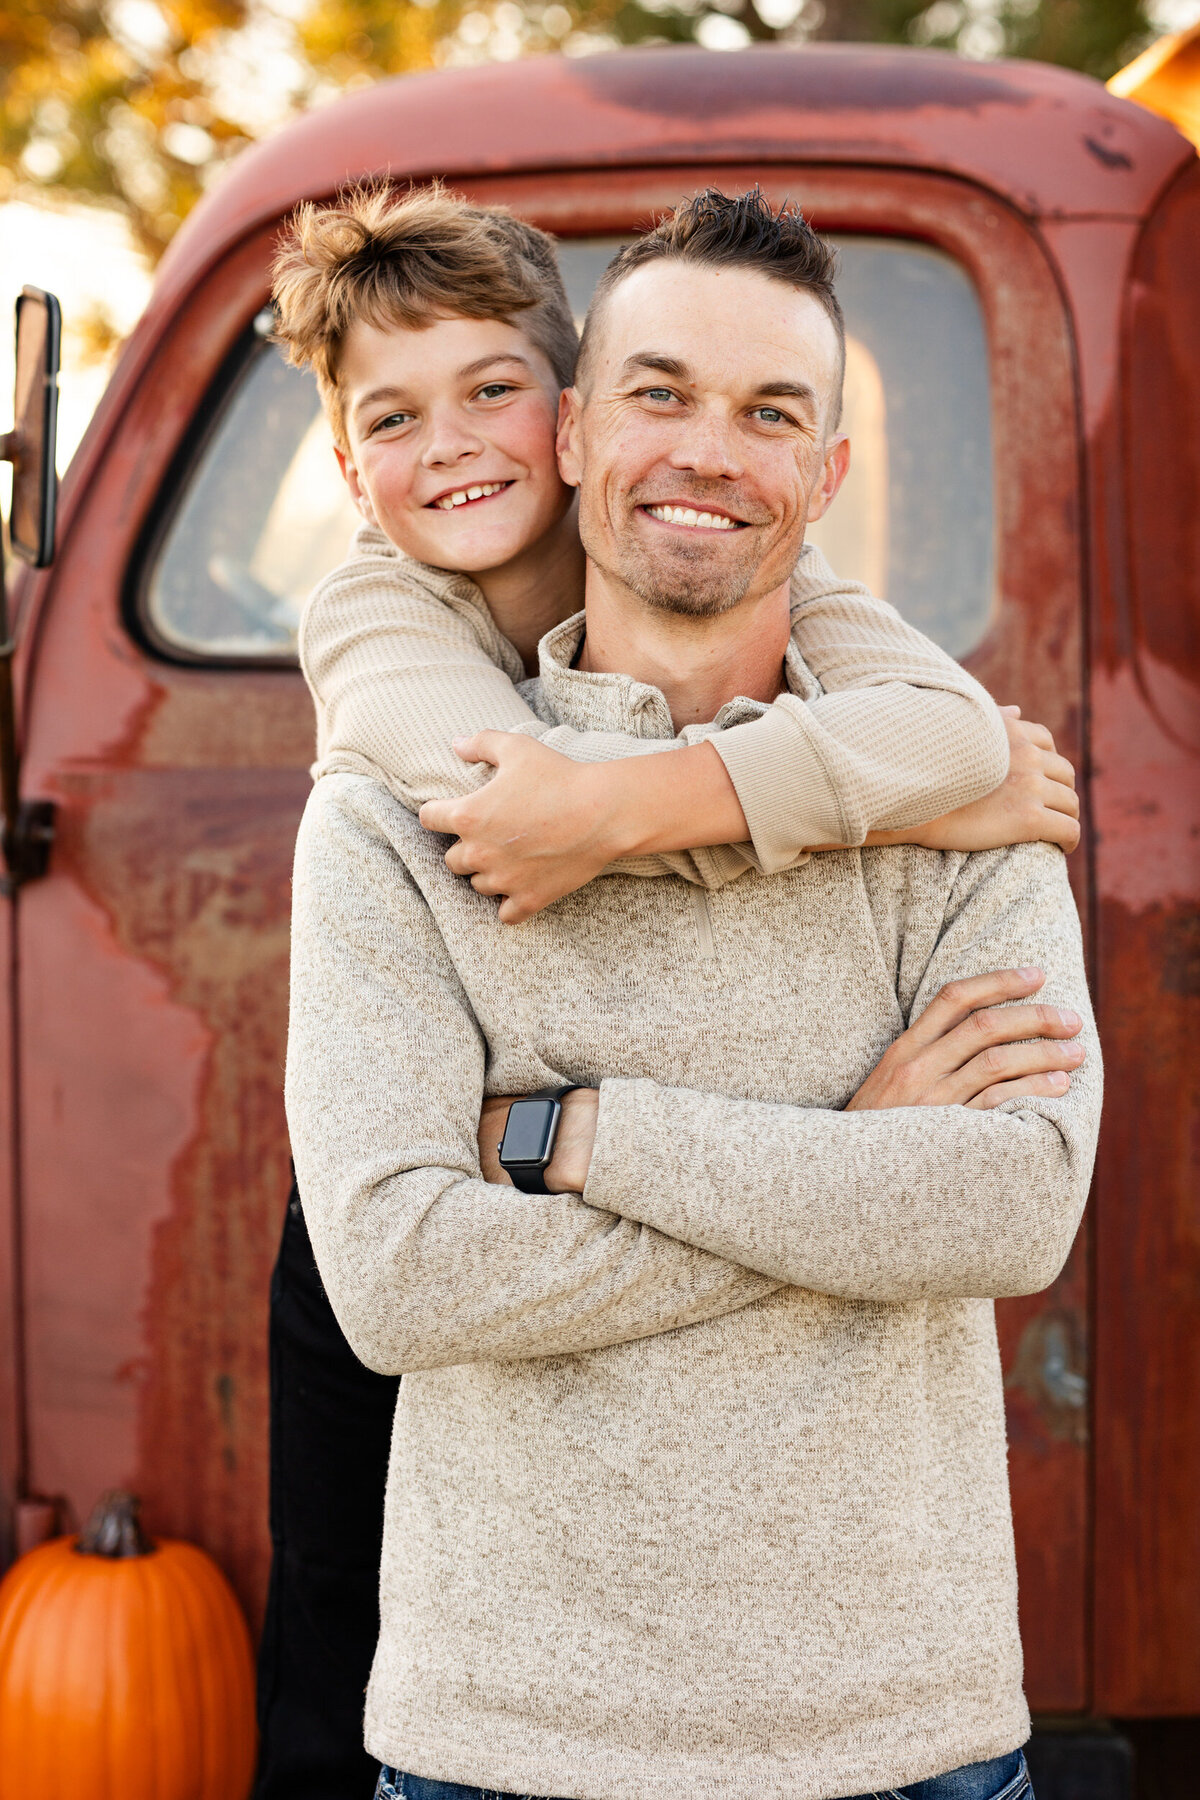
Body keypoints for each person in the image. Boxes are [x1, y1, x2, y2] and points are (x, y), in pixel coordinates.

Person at [256, 184, 1078, 1799]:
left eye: (768, 412)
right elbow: (404, 1283)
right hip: (505, 1740)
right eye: (661, 395)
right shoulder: (382, 715)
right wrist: (853, 1155)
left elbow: (1011, 1210)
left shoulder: (922, 748)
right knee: (314, 1611)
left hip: (909, 1739)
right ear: (588, 433)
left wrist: (578, 1137)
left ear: (825, 474)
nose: (707, 450)